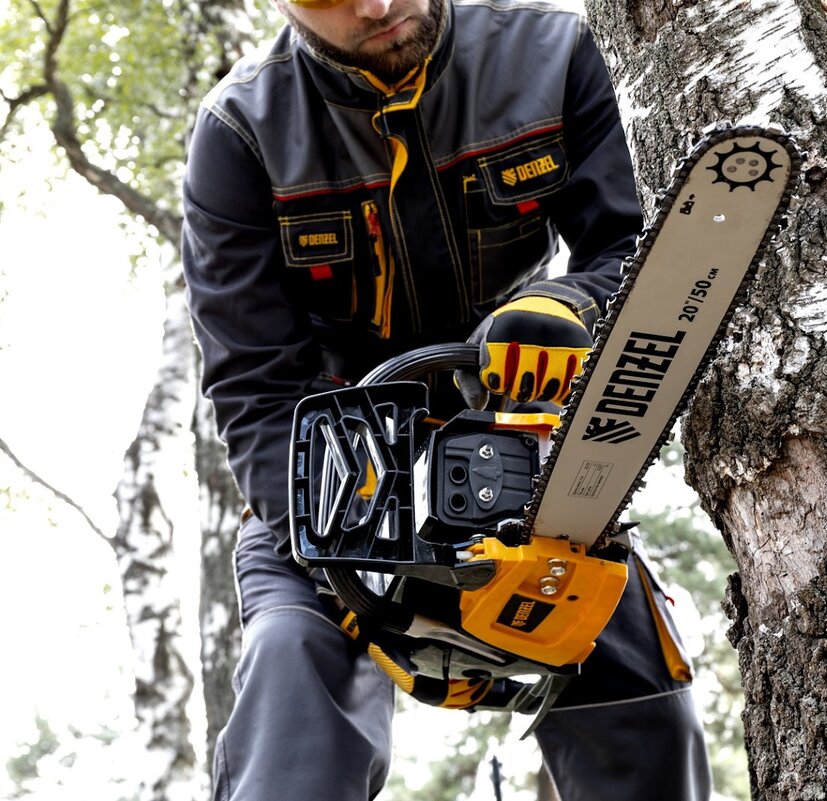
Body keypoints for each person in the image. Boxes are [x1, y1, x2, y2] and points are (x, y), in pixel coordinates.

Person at [180, 0, 712, 798]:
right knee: (292, 682)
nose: (375, 6)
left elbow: (628, 246)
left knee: (641, 700)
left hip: (519, 449)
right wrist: (354, 564)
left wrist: (571, 307)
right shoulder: (242, 133)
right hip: (336, 487)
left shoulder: (551, 53)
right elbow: (254, 389)